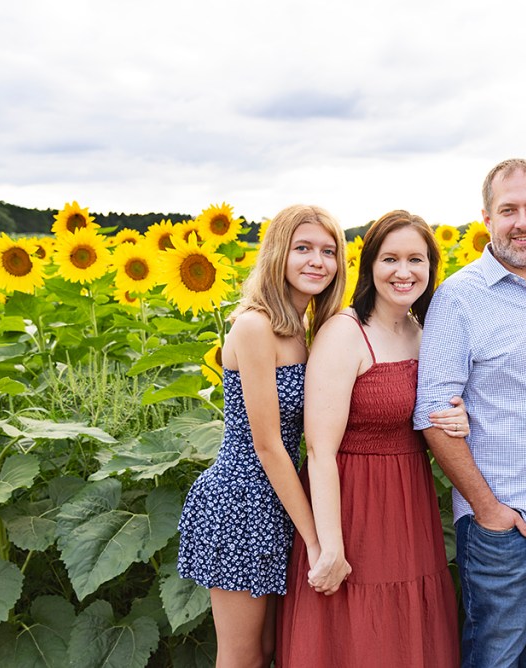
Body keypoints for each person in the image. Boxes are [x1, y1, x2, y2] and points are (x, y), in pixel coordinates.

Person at [414, 158, 526, 667]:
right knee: (496, 655)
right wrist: (488, 510)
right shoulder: (460, 298)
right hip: (501, 523)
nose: (523, 221)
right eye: (508, 209)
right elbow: (432, 416)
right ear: (486, 219)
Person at [275, 210, 464, 667]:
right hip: (352, 503)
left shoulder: (423, 333)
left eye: (416, 259)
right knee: (357, 635)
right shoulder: (345, 332)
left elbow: (430, 410)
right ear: (370, 266)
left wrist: (459, 418)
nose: (404, 272)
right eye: (390, 259)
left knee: (404, 632)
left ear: (431, 267)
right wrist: (331, 544)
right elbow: (319, 450)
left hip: (409, 502)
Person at [177, 204, 346, 667]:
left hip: (278, 498)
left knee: (273, 649)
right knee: (242, 657)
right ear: (277, 254)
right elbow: (268, 444)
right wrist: (315, 540)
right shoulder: (255, 326)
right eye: (303, 248)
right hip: (240, 500)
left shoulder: (305, 328)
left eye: (328, 251)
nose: (317, 261)